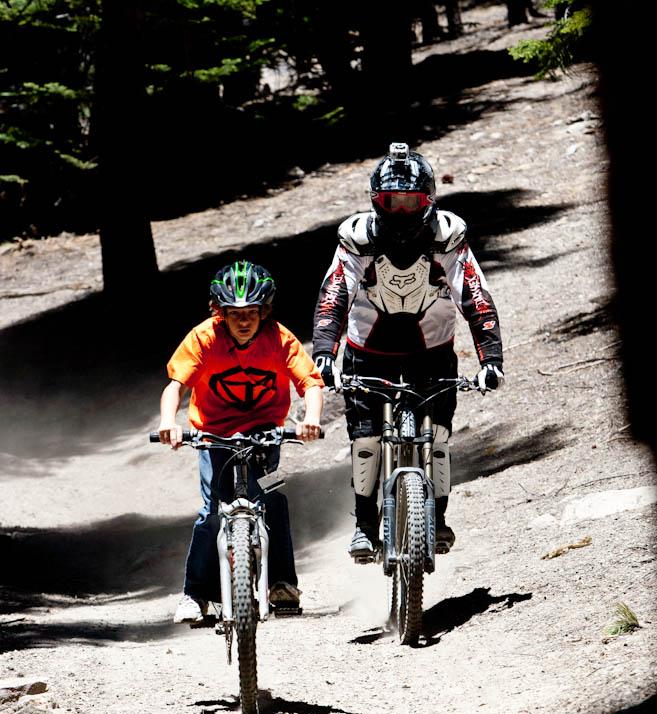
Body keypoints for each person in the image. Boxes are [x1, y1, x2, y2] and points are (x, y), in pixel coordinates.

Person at [312, 142, 504, 560]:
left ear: (428, 200)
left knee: (438, 438)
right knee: (365, 441)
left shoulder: (448, 236)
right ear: (375, 202)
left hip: (432, 354)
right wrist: (325, 352)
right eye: (390, 202)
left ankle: (436, 518)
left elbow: (475, 296)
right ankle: (364, 525)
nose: (400, 212)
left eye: (410, 202)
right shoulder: (357, 238)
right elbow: (334, 296)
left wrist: (491, 360)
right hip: (367, 354)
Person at [159, 260, 324, 622]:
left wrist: (311, 419)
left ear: (264, 311)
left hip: (266, 438)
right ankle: (195, 594)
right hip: (213, 437)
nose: (245, 321)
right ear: (220, 313)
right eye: (235, 314)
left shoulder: (279, 339)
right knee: (210, 514)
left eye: (252, 312)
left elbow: (310, 383)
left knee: (273, 497)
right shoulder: (204, 338)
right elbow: (175, 387)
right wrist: (168, 422)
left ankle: (282, 583)